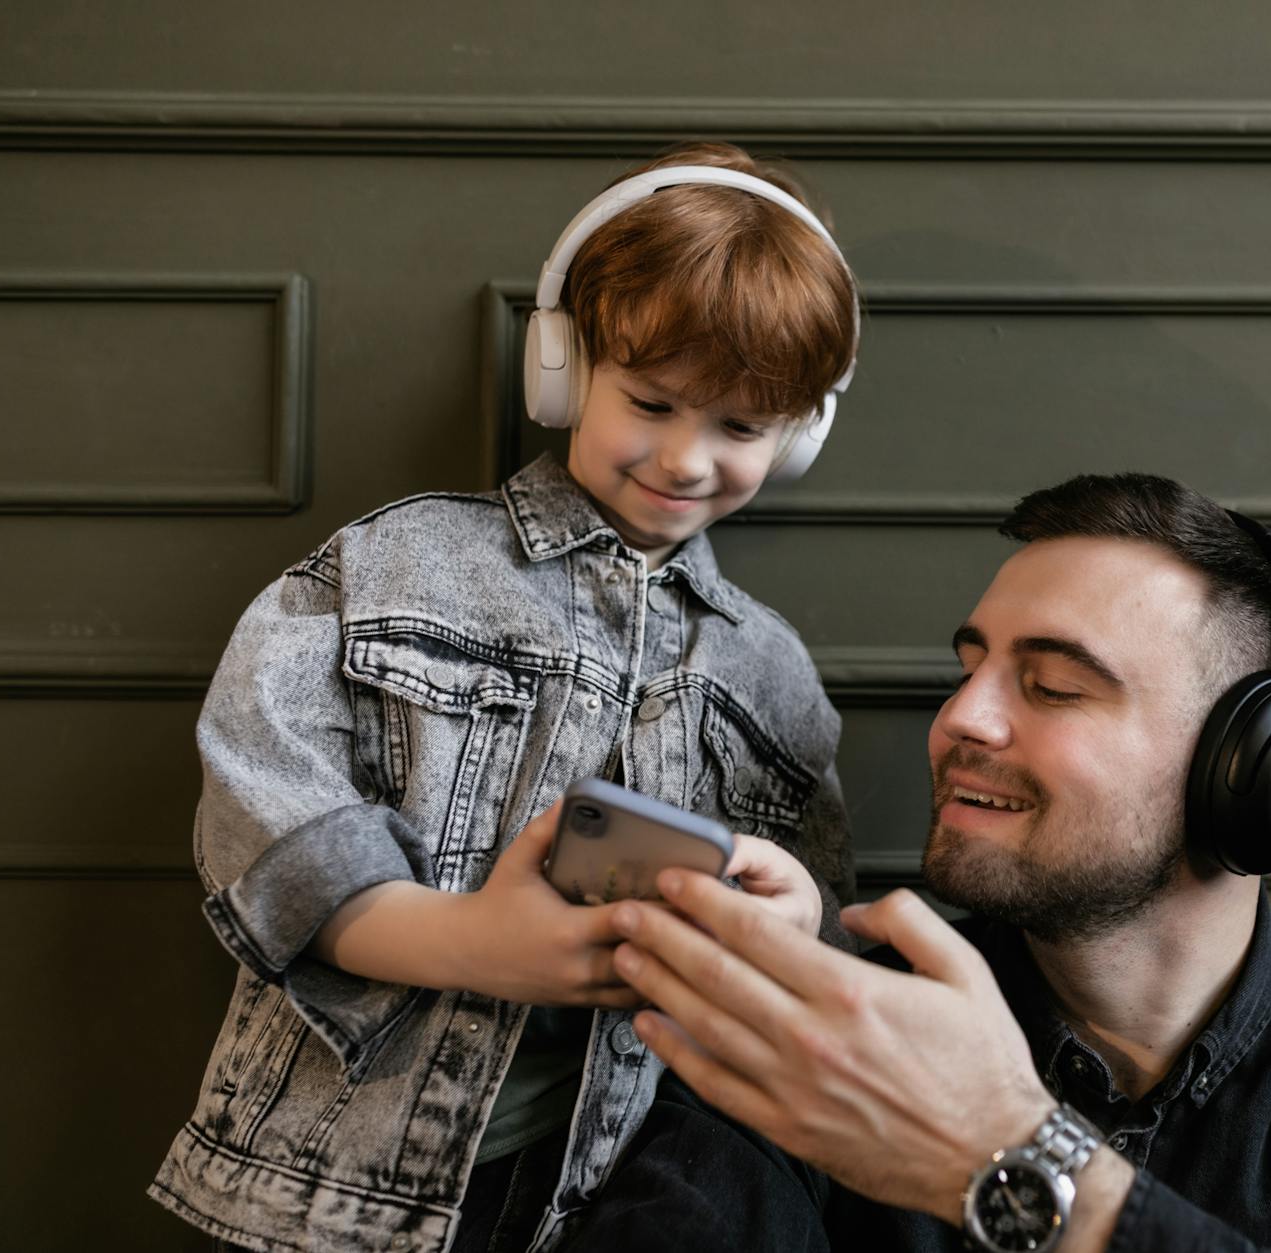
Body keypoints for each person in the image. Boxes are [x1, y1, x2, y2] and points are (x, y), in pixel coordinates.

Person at [578, 473, 1271, 1251]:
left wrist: (1006, 1153)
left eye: (1049, 686)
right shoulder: (838, 1035)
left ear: (1253, 772)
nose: (957, 720)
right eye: (970, 669)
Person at [149, 141, 862, 1252]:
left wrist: (797, 920)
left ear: (801, 433)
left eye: (739, 427)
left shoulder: (769, 669)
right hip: (336, 1189)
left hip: (605, 1197)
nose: (684, 458)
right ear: (563, 366)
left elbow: (810, 921)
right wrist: (468, 940)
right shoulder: (396, 563)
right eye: (651, 400)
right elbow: (265, 805)